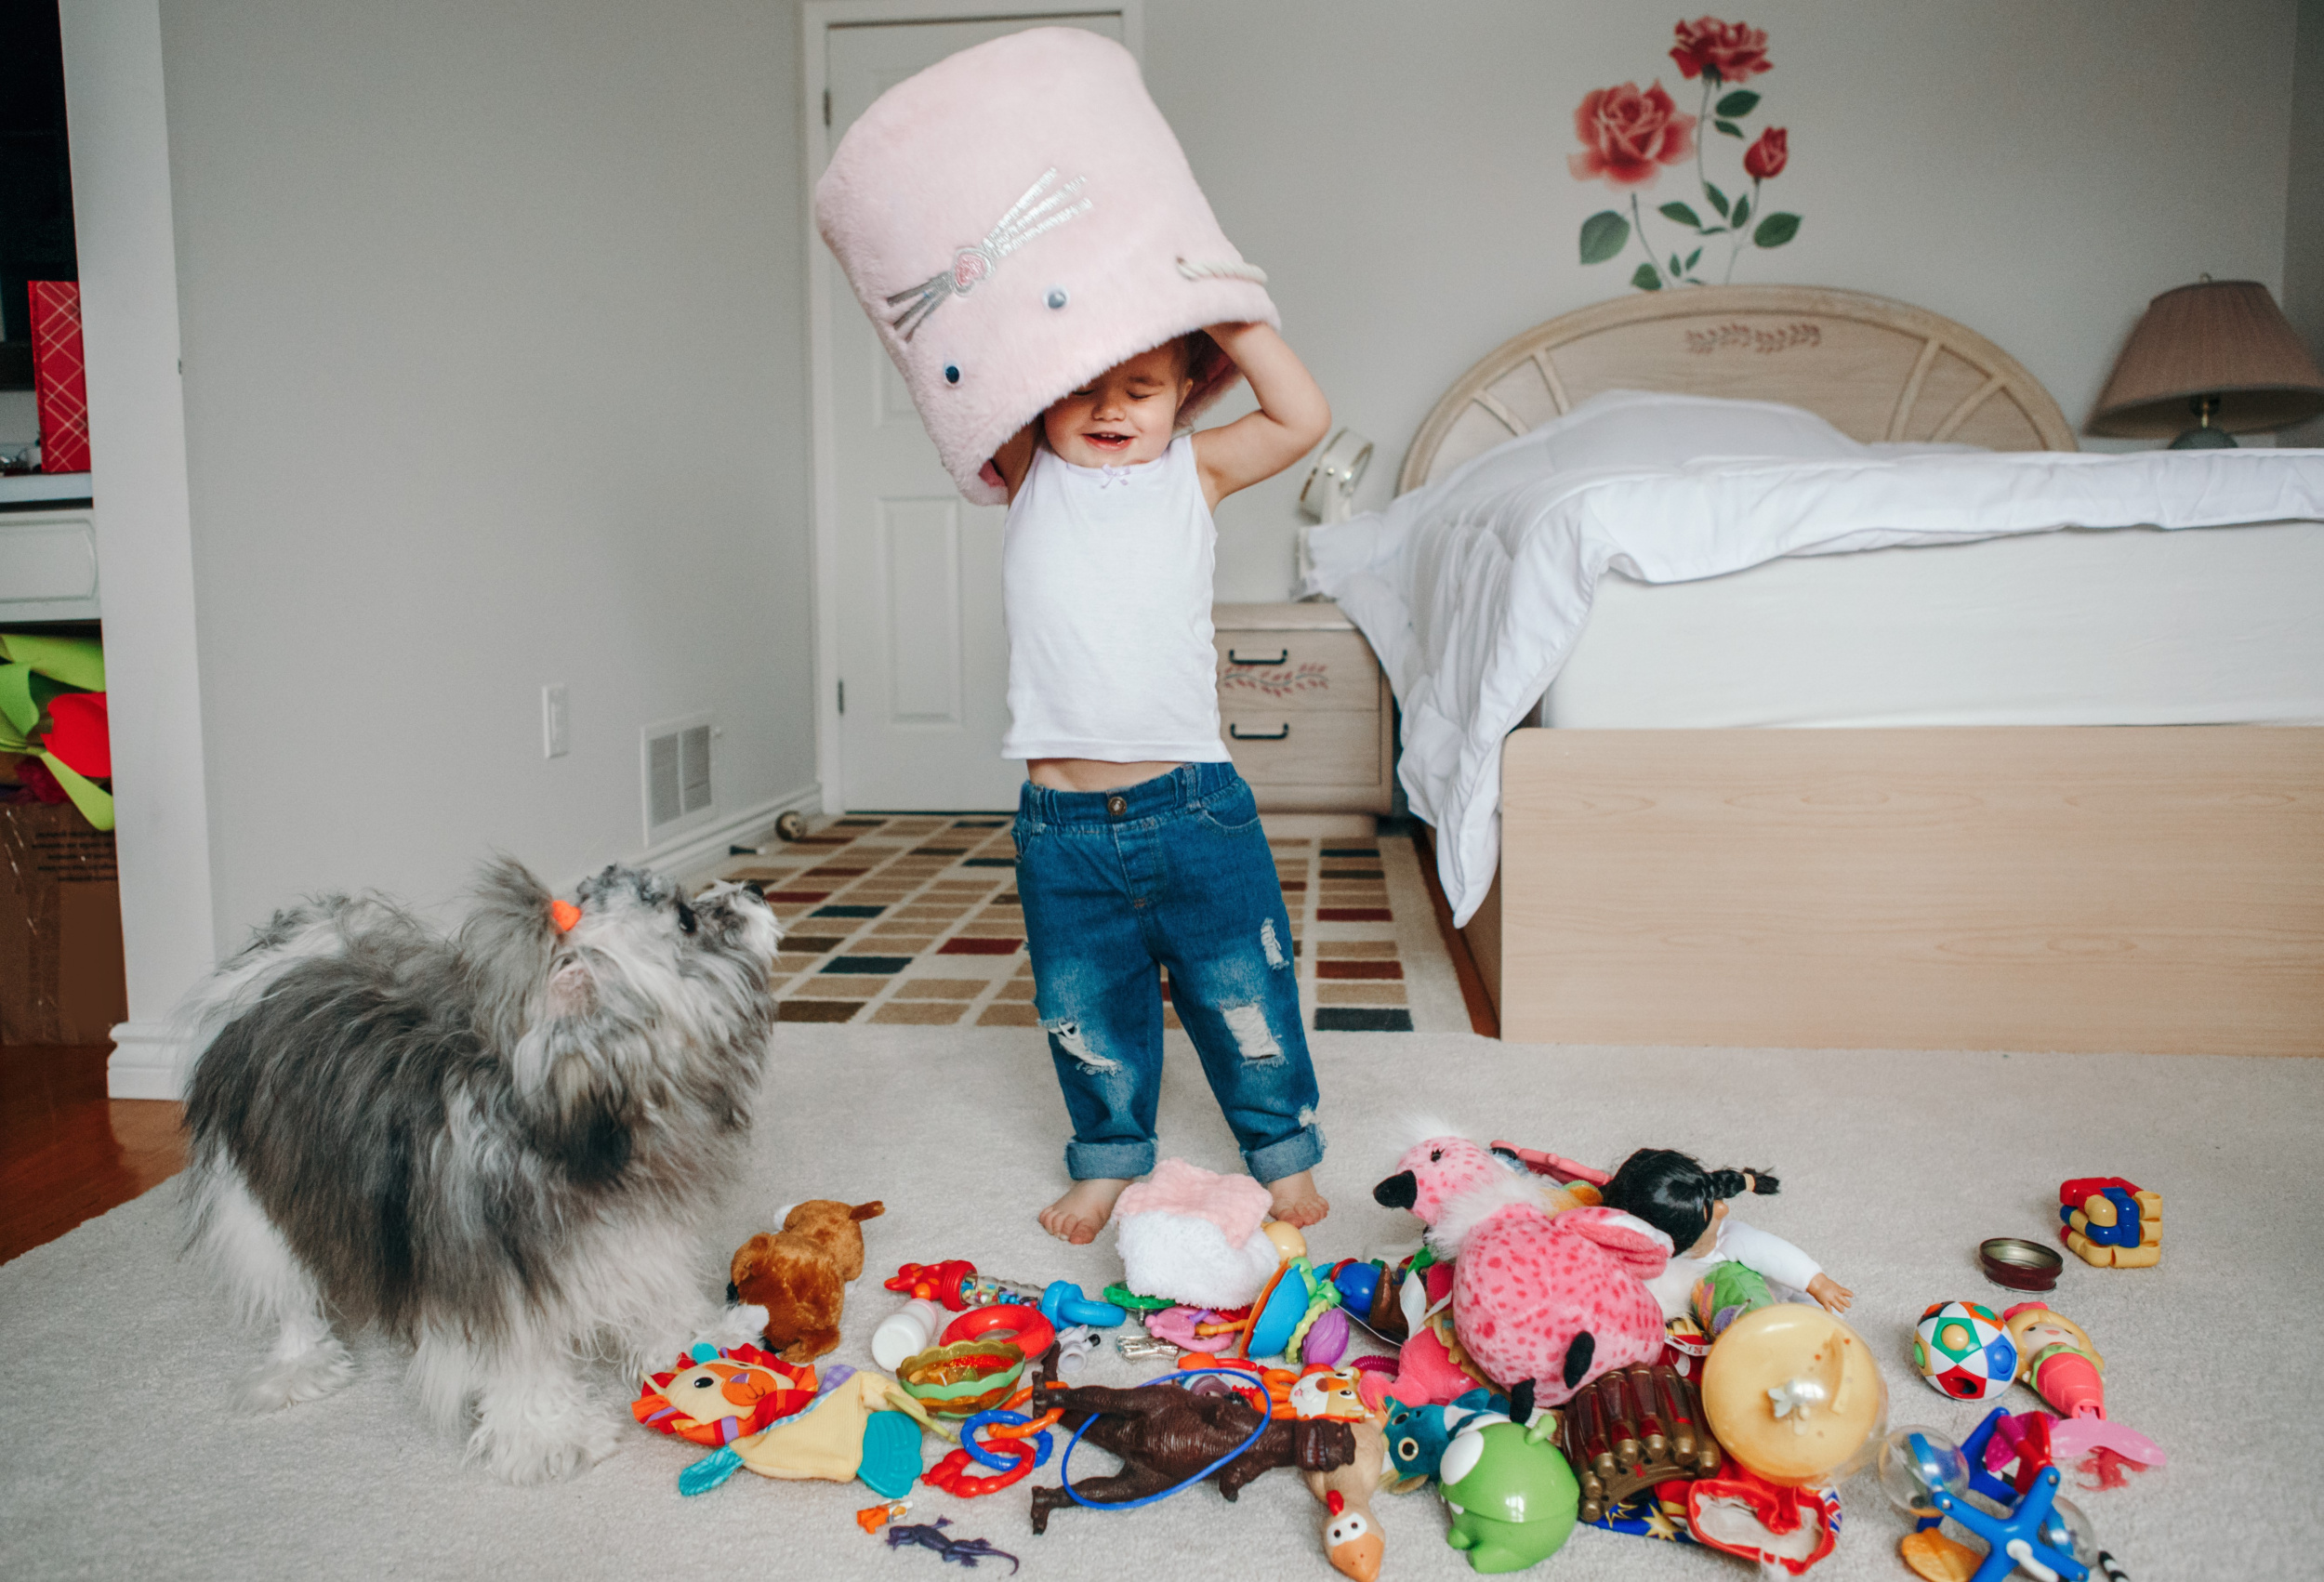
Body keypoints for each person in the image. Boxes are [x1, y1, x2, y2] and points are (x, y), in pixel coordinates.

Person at [986, 321, 1332, 1245]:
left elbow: (1301, 418)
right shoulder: (1029, 470)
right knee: (1083, 1007)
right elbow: (968, 378)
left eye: (1139, 388)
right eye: (1080, 388)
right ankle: (1107, 1154)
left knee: (1243, 993)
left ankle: (1283, 1150)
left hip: (1193, 810)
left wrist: (1233, 322)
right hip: (1061, 830)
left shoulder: (1195, 470)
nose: (1107, 409)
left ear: (1184, 391)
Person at [1599, 1148, 1856, 1316]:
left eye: (1715, 1204)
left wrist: (1817, 1282)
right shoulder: (1654, 1258)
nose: (1723, 1210)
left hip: (1779, 1300)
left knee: (1816, 1317)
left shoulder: (1732, 1241)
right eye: (1712, 1208)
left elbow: (1778, 1256)